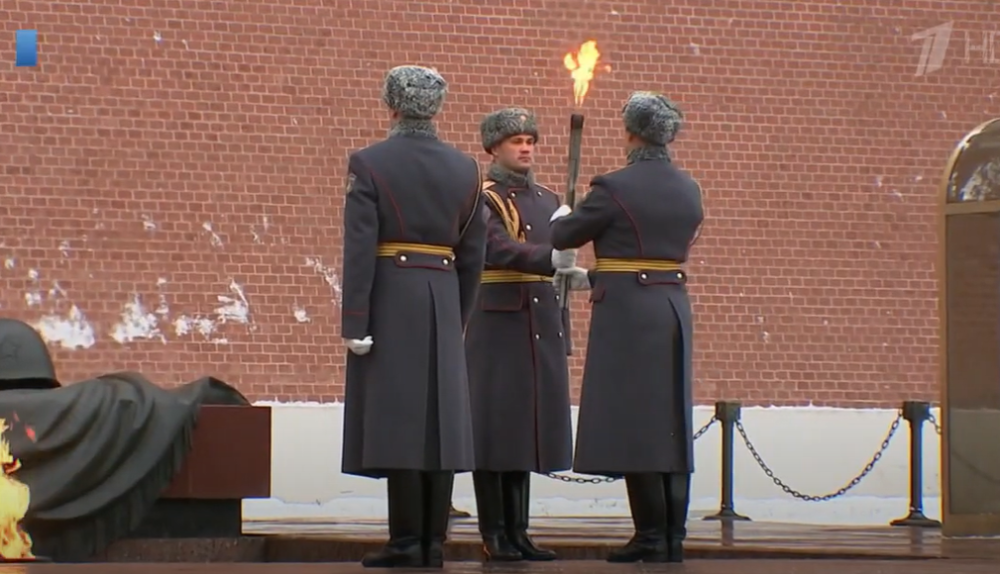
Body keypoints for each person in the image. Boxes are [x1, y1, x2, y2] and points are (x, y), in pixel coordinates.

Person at [339, 65, 488, 569]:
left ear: (393, 106)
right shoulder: (466, 168)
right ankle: (433, 541)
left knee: (400, 419)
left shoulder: (370, 162)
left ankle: (406, 542)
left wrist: (355, 321)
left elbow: (359, 248)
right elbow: (474, 251)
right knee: (440, 421)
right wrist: (459, 313)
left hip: (391, 294)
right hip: (444, 294)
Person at [549, 91, 704, 564]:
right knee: (670, 426)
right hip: (672, 306)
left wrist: (562, 218)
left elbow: (564, 236)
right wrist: (595, 274)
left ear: (632, 134)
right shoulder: (689, 188)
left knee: (639, 425)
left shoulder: (614, 187)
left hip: (629, 315)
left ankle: (651, 534)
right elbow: (653, 251)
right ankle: (671, 534)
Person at [464, 108, 576, 562]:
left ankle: (520, 531)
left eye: (530, 139)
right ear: (493, 148)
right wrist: (552, 256)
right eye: (515, 141)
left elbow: (559, 268)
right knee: (495, 434)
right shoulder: (481, 199)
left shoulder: (550, 200)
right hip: (497, 324)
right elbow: (495, 248)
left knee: (526, 434)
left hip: (538, 323)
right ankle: (495, 533)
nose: (525, 147)